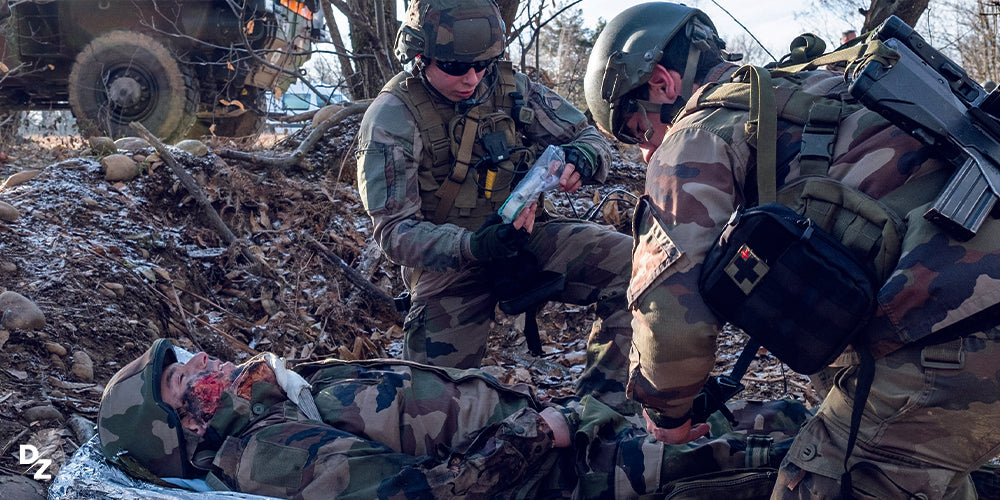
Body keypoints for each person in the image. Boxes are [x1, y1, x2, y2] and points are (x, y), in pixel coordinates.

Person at [583, 3, 1000, 499]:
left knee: (821, 484)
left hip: (960, 335)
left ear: (661, 83)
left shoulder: (699, 131)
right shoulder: (826, 86)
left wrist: (666, 412)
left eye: (638, 131)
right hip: (967, 321)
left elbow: (672, 319)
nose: (648, 152)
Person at [96, 338, 811, 499]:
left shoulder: (267, 399)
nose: (198, 361)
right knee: (772, 465)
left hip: (553, 438)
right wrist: (542, 431)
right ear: (181, 424)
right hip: (557, 474)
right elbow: (426, 494)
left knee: (772, 415)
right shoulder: (266, 454)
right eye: (180, 375)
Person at [354, 0, 634, 412]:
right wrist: (473, 246)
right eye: (455, 67)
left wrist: (582, 160)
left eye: (482, 64)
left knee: (635, 267)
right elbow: (395, 233)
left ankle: (602, 414)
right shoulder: (391, 117)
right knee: (429, 409)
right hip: (451, 263)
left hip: (528, 237)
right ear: (420, 56)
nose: (471, 78)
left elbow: (589, 137)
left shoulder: (510, 86)